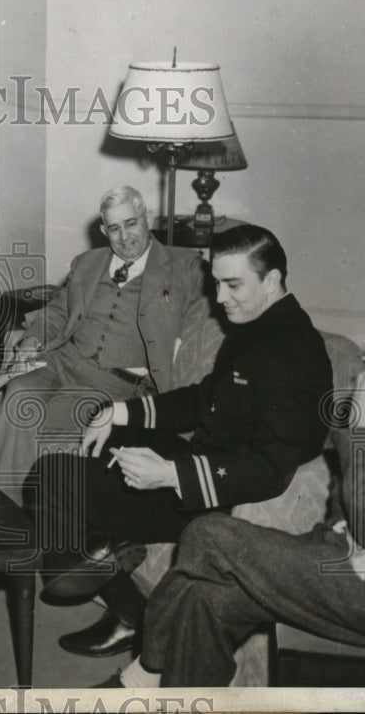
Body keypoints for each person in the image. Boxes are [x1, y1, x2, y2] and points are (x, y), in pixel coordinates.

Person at [106, 274, 365, 688]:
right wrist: (353, 531)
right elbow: (350, 484)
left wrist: (359, 422)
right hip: (355, 551)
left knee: (209, 533)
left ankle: (144, 671)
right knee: (204, 600)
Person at [37, 224, 333, 658]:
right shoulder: (259, 325)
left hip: (214, 493)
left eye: (233, 284)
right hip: (202, 458)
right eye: (216, 283)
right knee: (103, 439)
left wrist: (170, 474)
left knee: (50, 478)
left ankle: (128, 609)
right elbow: (205, 399)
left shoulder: (293, 354)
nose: (220, 297)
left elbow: (271, 469)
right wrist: (120, 412)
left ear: (271, 281)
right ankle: (104, 545)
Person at [0, 185, 214, 504]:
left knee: (24, 414)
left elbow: (221, 292)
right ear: (104, 230)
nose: (125, 236)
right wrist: (33, 338)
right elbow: (59, 310)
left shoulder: (184, 265)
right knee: (17, 392)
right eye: (114, 228)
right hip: (60, 359)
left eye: (132, 223)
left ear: (148, 218)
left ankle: (3, 512)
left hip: (112, 383)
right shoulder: (87, 262)